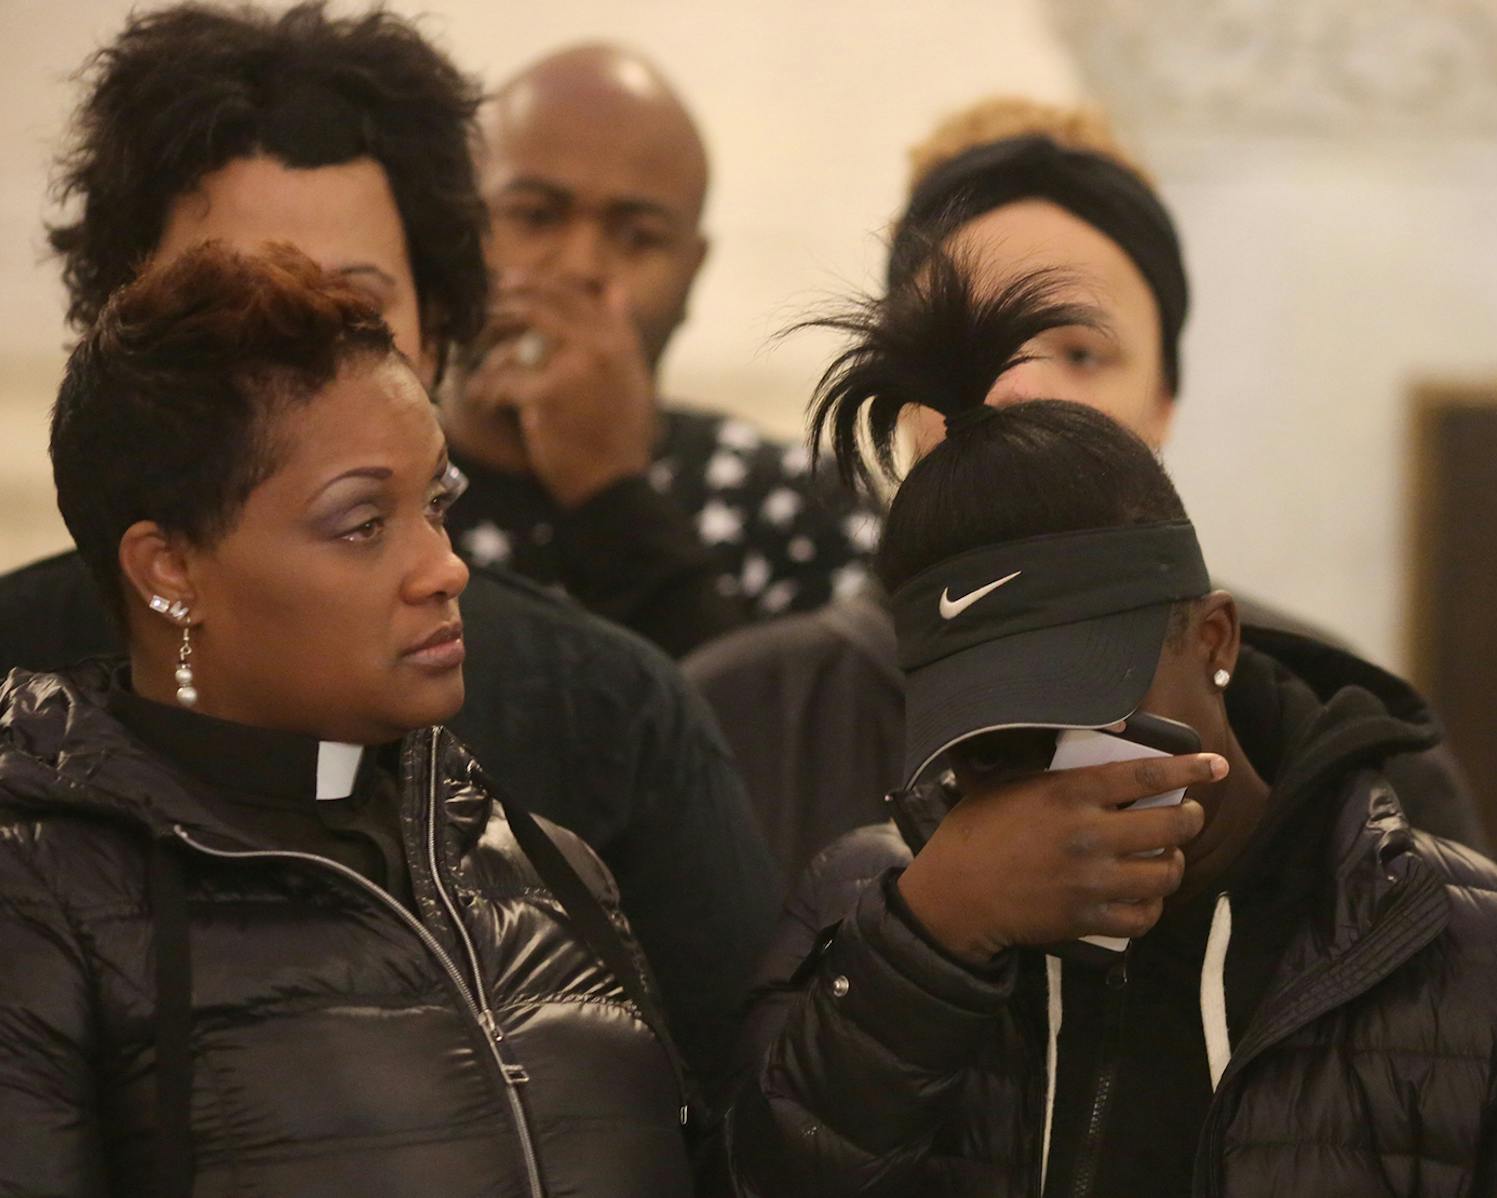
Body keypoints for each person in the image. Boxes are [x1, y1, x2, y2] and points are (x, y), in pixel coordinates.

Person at [0, 3, 778, 1152]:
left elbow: (756, 1135)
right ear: (121, 334)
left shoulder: (610, 715)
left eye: (355, 308)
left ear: (443, 324)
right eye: (230, 299)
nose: (313, 361)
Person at [725, 252, 1497, 1197]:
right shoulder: (866, 902)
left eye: (1090, 704)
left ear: (1213, 638)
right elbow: (763, 1173)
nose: (1057, 777)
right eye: (995, 746)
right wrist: (931, 941)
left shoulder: (1481, 952)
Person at [0, 242, 695, 1196]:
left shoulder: (545, 870)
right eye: (363, 523)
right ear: (171, 571)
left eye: (437, 504)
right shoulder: (41, 903)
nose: (443, 567)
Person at [685, 100, 1482, 880]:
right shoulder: (734, 719)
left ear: (1165, 398)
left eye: (1079, 352)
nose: (1017, 394)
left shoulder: (1342, 726)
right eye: (964, 352)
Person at [440, 43, 878, 656]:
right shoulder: (370, 496)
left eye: (638, 236)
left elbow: (783, 745)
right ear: (451, 228)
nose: (580, 267)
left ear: (692, 273)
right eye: (535, 216)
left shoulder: (797, 507)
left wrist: (613, 496)